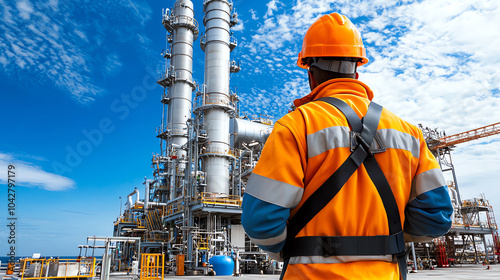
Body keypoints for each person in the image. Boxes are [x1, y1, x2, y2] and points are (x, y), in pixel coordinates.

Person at [241, 12, 453, 280]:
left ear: (311, 72)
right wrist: (383, 239)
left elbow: (261, 222)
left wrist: (297, 248)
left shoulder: (296, 125)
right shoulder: (410, 134)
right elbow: (437, 218)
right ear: (356, 69)